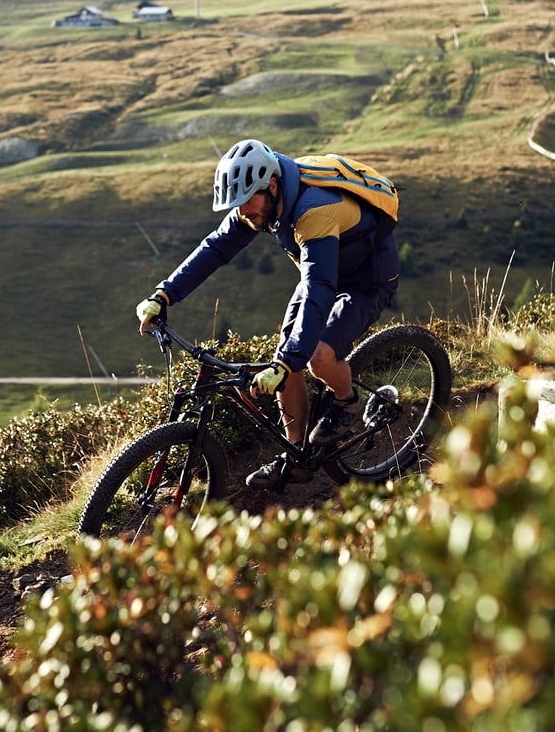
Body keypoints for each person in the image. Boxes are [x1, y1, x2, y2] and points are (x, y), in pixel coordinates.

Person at [135, 139, 400, 490]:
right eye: (237, 206)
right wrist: (163, 294)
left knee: (315, 357)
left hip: (367, 278)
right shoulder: (260, 202)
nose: (244, 213)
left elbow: (321, 288)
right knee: (285, 365)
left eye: (247, 203)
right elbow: (215, 248)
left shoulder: (314, 209)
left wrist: (292, 359)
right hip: (322, 269)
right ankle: (298, 457)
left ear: (272, 186)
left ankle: (348, 402)